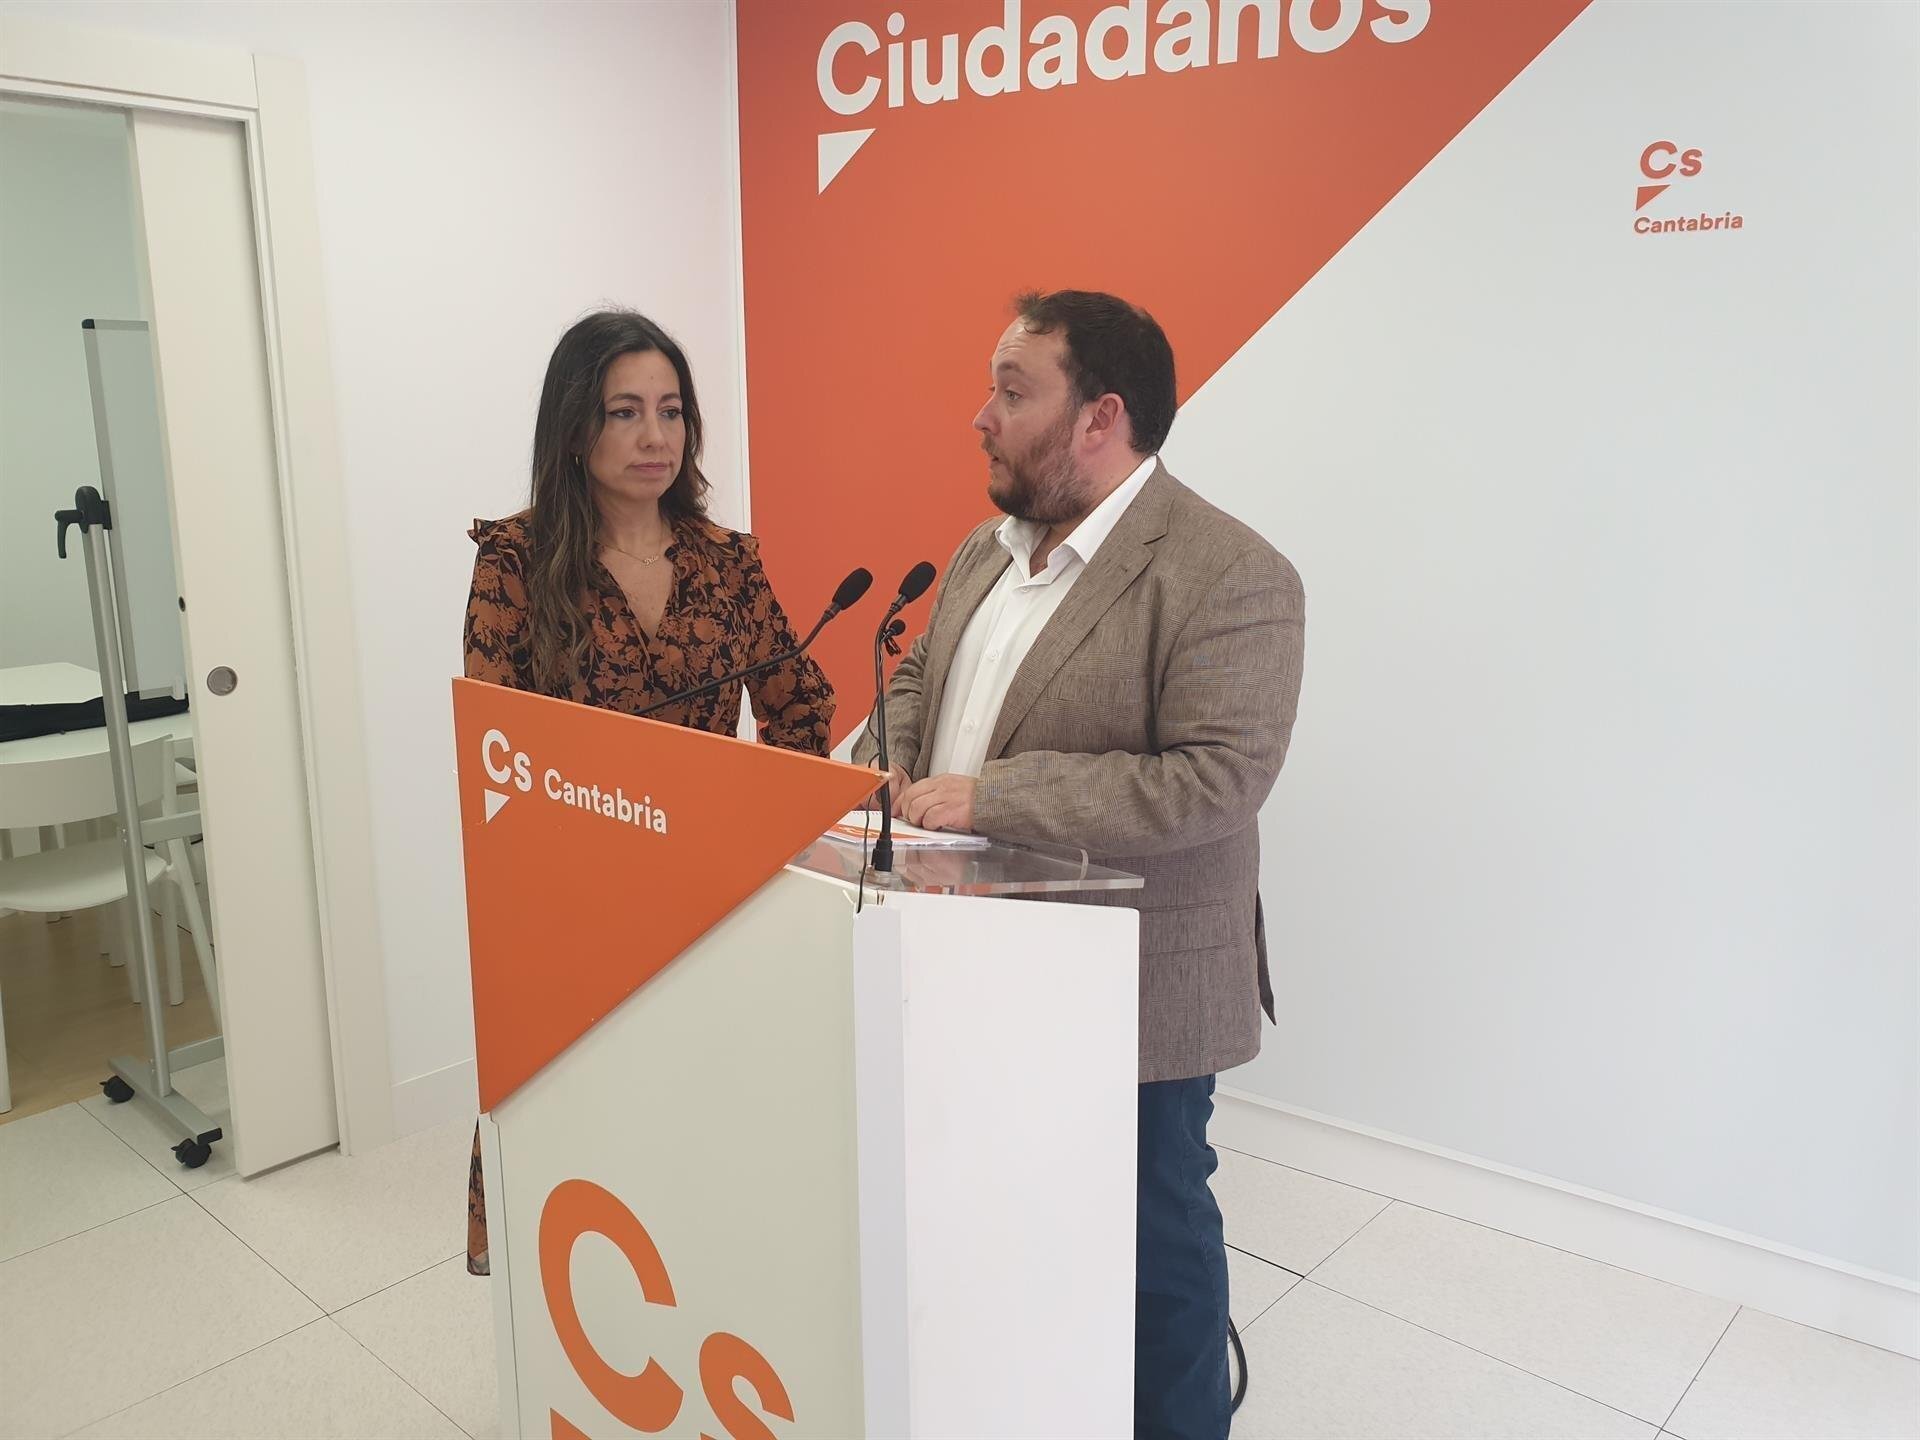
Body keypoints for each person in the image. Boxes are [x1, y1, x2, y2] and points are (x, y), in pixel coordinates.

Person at [854, 290, 1303, 1439]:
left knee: (1155, 1240)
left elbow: (1217, 778)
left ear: (1101, 417)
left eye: (1012, 392)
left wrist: (994, 795)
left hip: (1134, 977)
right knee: (1006, 1219)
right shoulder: (984, 549)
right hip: (962, 953)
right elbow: (918, 678)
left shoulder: (1230, 571)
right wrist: (891, 763)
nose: (981, 418)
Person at [461, 309, 835, 1276]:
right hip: (573, 905)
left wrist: (765, 836)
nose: (654, 436)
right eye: (624, 411)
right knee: (574, 1133)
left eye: (671, 411)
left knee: (692, 1139)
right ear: (575, 427)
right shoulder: (516, 559)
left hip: (703, 898)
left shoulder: (727, 560)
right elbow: (498, 740)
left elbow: (799, 705)